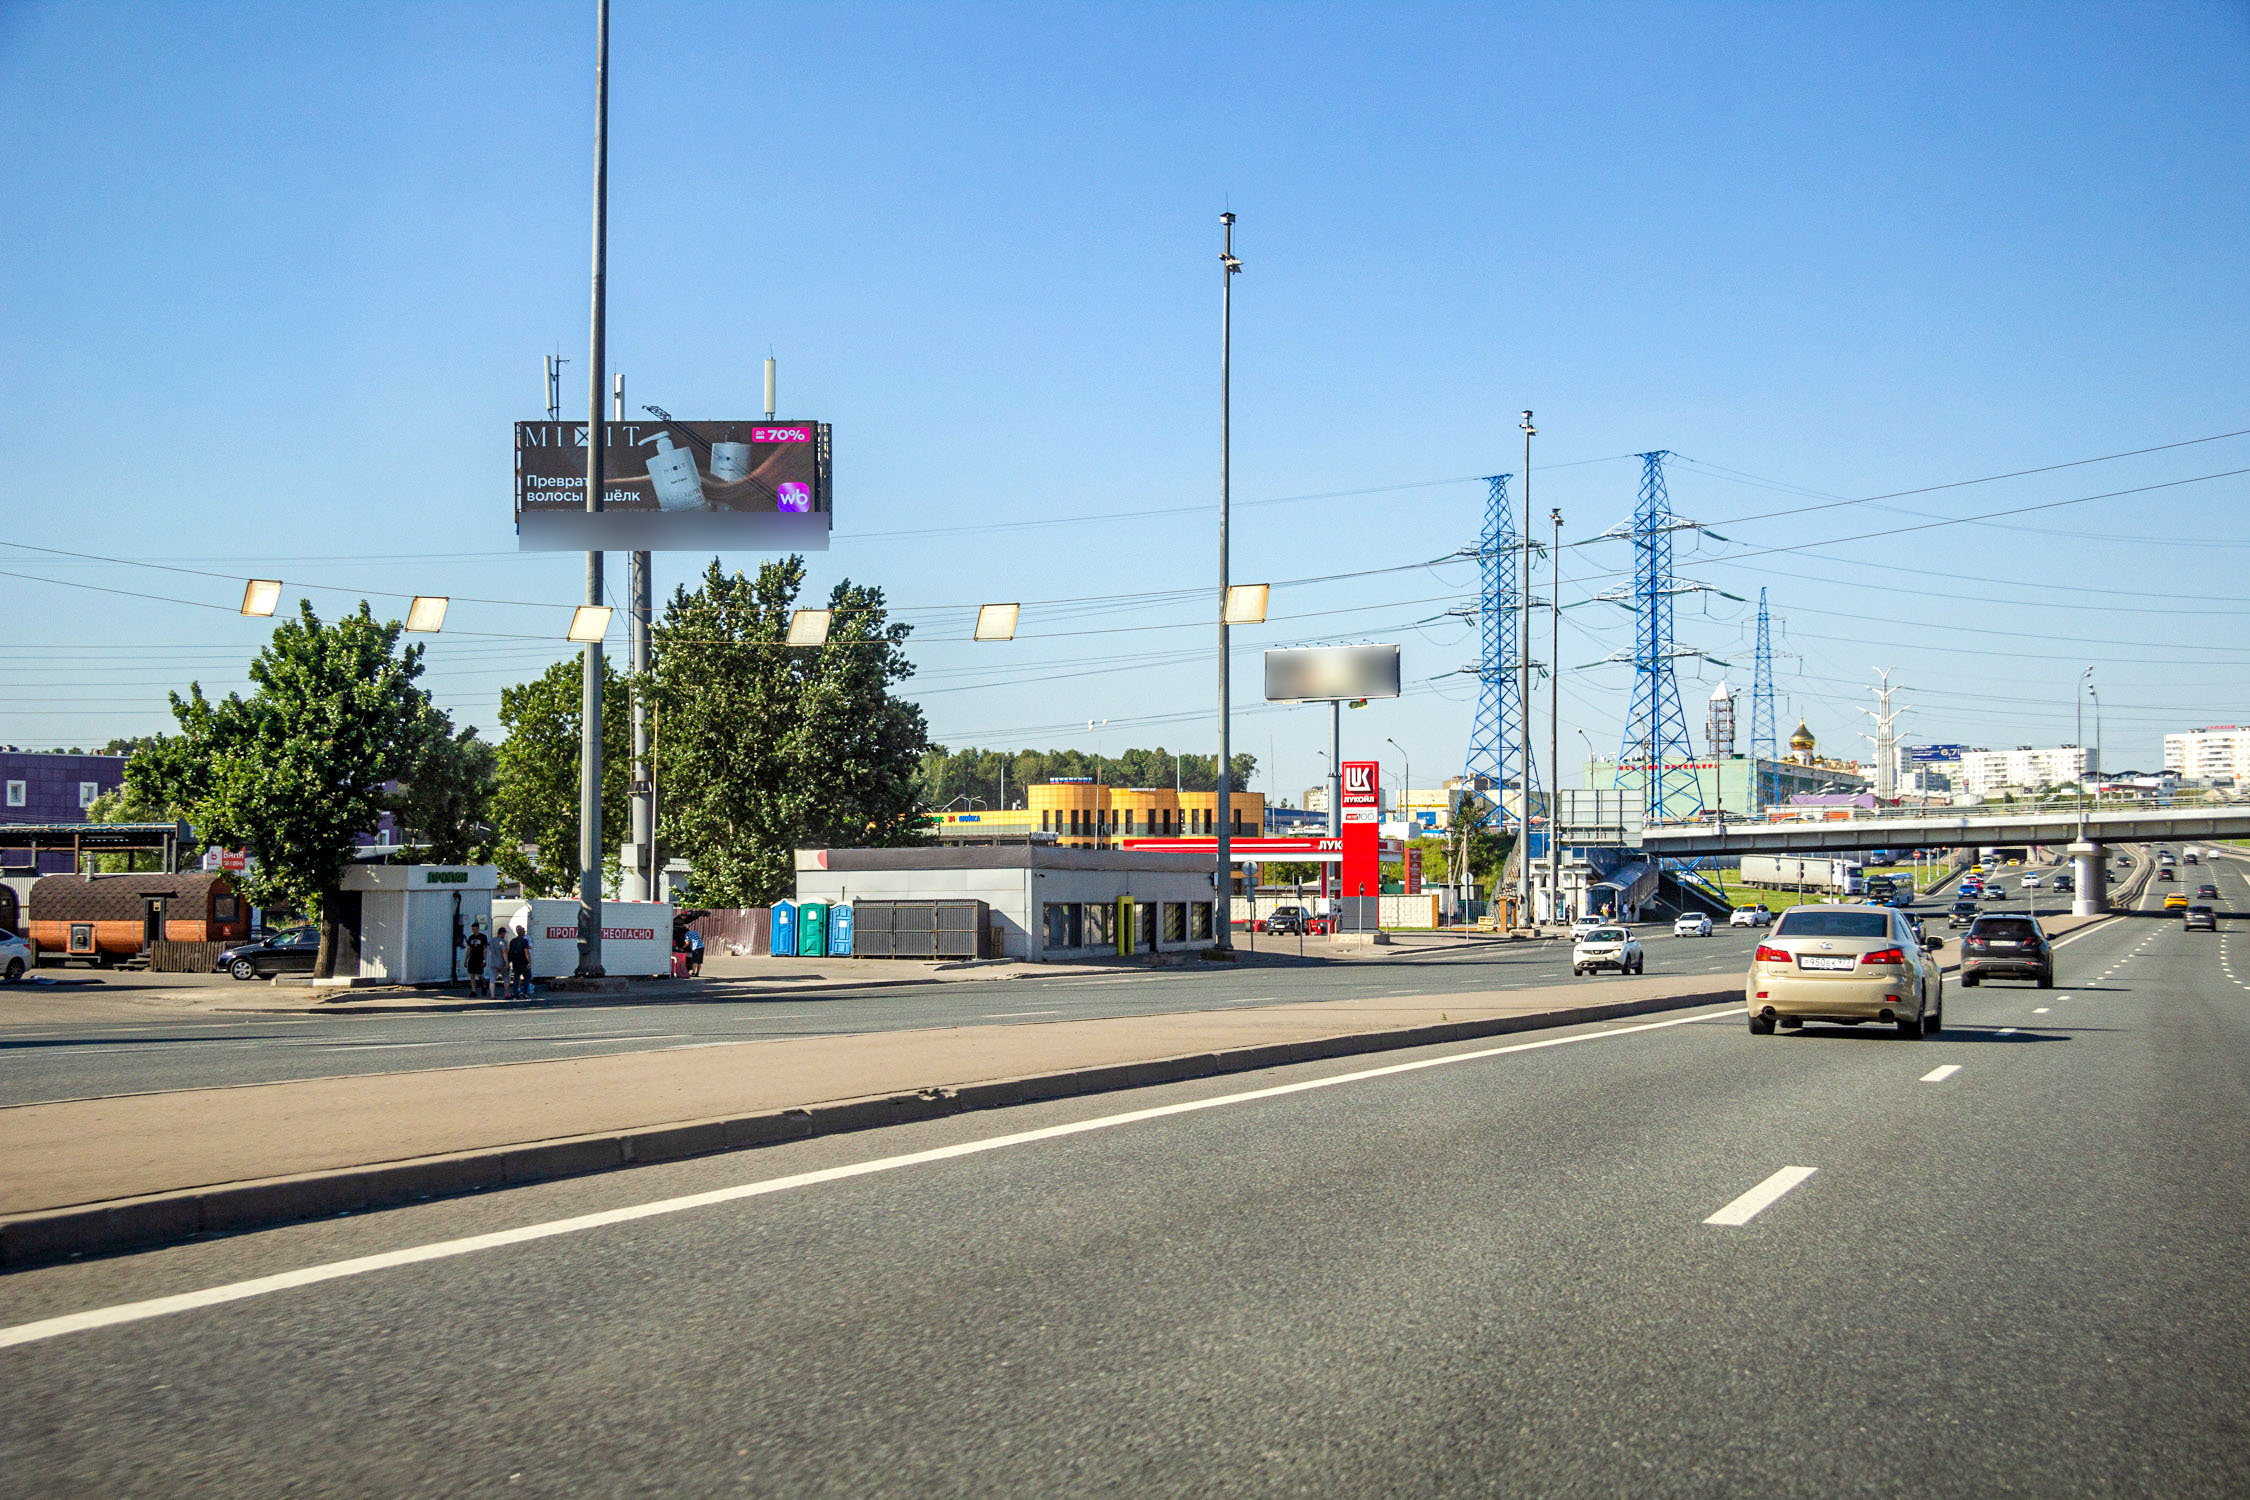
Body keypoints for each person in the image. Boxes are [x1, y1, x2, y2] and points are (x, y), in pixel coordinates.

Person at [464, 919, 489, 997]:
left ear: (478, 929)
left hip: (480, 957)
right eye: (473, 929)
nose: (474, 931)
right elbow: (468, 949)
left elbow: (485, 949)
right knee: (471, 975)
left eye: (475, 929)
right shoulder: (471, 937)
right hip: (472, 957)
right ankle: (473, 991)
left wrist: (484, 960)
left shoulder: (483, 937)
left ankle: (484, 984)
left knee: (479, 974)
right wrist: (466, 960)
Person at [506, 925, 533, 999]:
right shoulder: (525, 941)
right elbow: (526, 952)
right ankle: (524, 992)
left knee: (516, 979)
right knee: (527, 977)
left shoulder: (513, 941)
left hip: (516, 963)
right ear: (523, 933)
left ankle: (516, 993)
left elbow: (510, 952)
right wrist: (529, 962)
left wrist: (508, 962)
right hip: (524, 962)